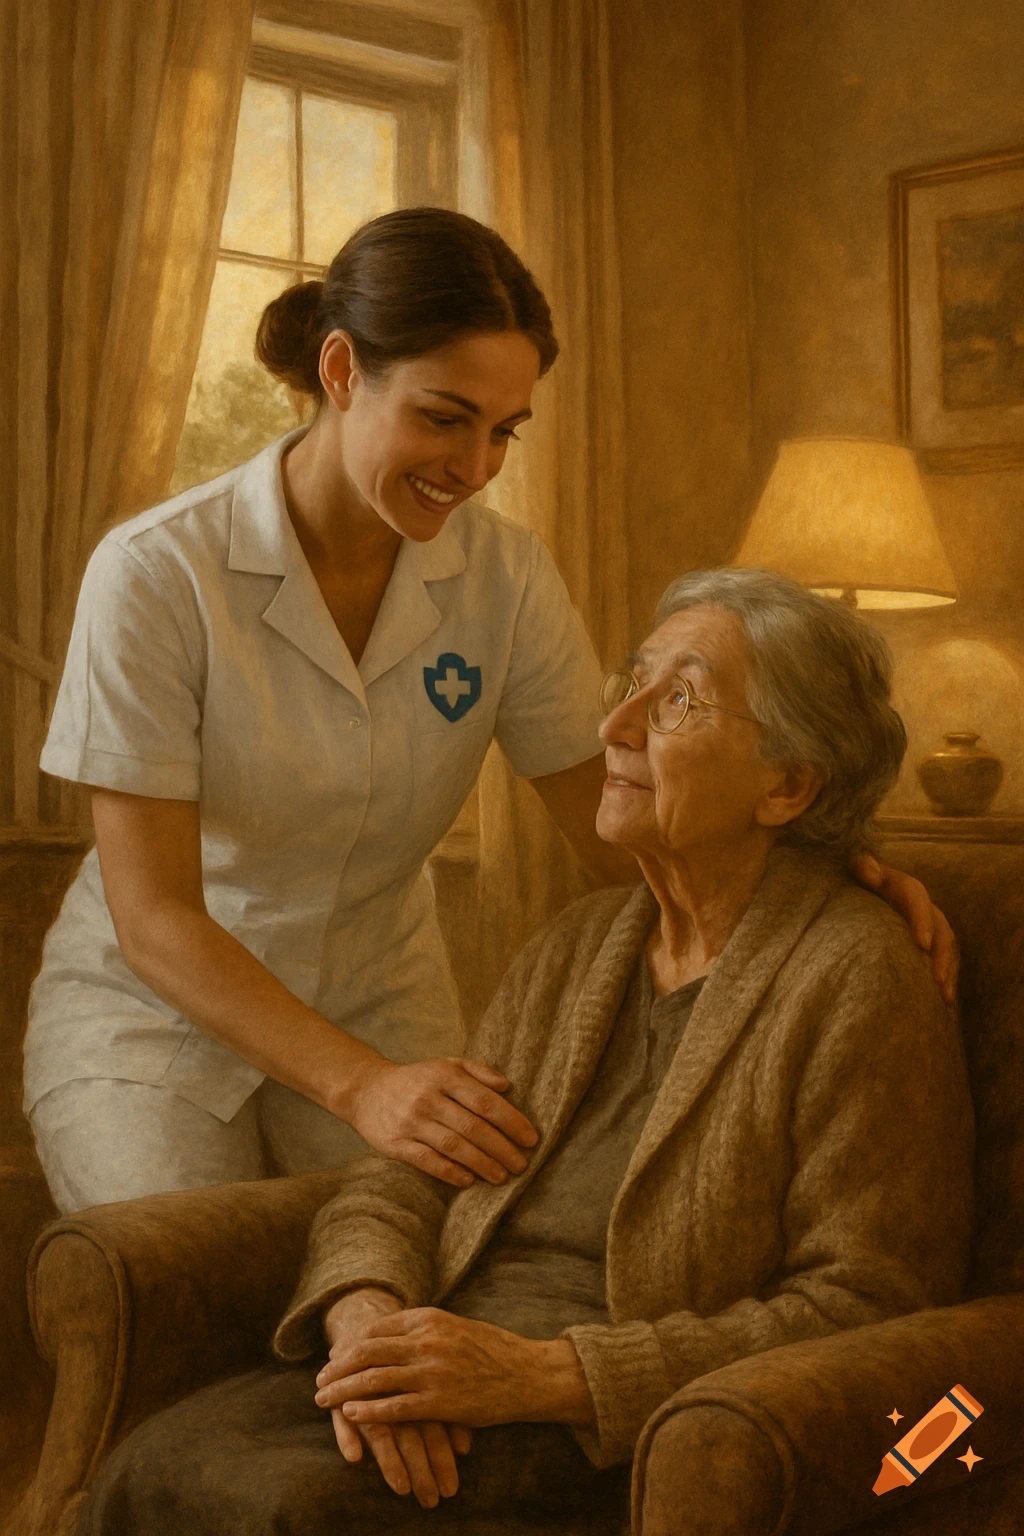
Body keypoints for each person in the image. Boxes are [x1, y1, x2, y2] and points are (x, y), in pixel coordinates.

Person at [26, 207, 953, 1216]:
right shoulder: (156, 572)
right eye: (442, 416)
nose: (475, 467)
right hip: (157, 1019)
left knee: (422, 1275)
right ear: (340, 373)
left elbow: (617, 819)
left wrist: (819, 883)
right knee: (182, 1279)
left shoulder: (505, 578)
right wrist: (360, 1087)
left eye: (503, 429)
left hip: (383, 1000)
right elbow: (155, 917)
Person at [79, 569, 974, 1536]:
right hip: (436, 1357)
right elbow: (406, 1183)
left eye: (678, 700)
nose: (615, 726)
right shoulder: (578, 948)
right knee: (155, 1467)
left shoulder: (858, 975)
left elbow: (868, 1304)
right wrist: (366, 1318)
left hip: (613, 1424)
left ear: (789, 785)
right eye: (629, 682)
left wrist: (547, 1376)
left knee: (287, 1510)